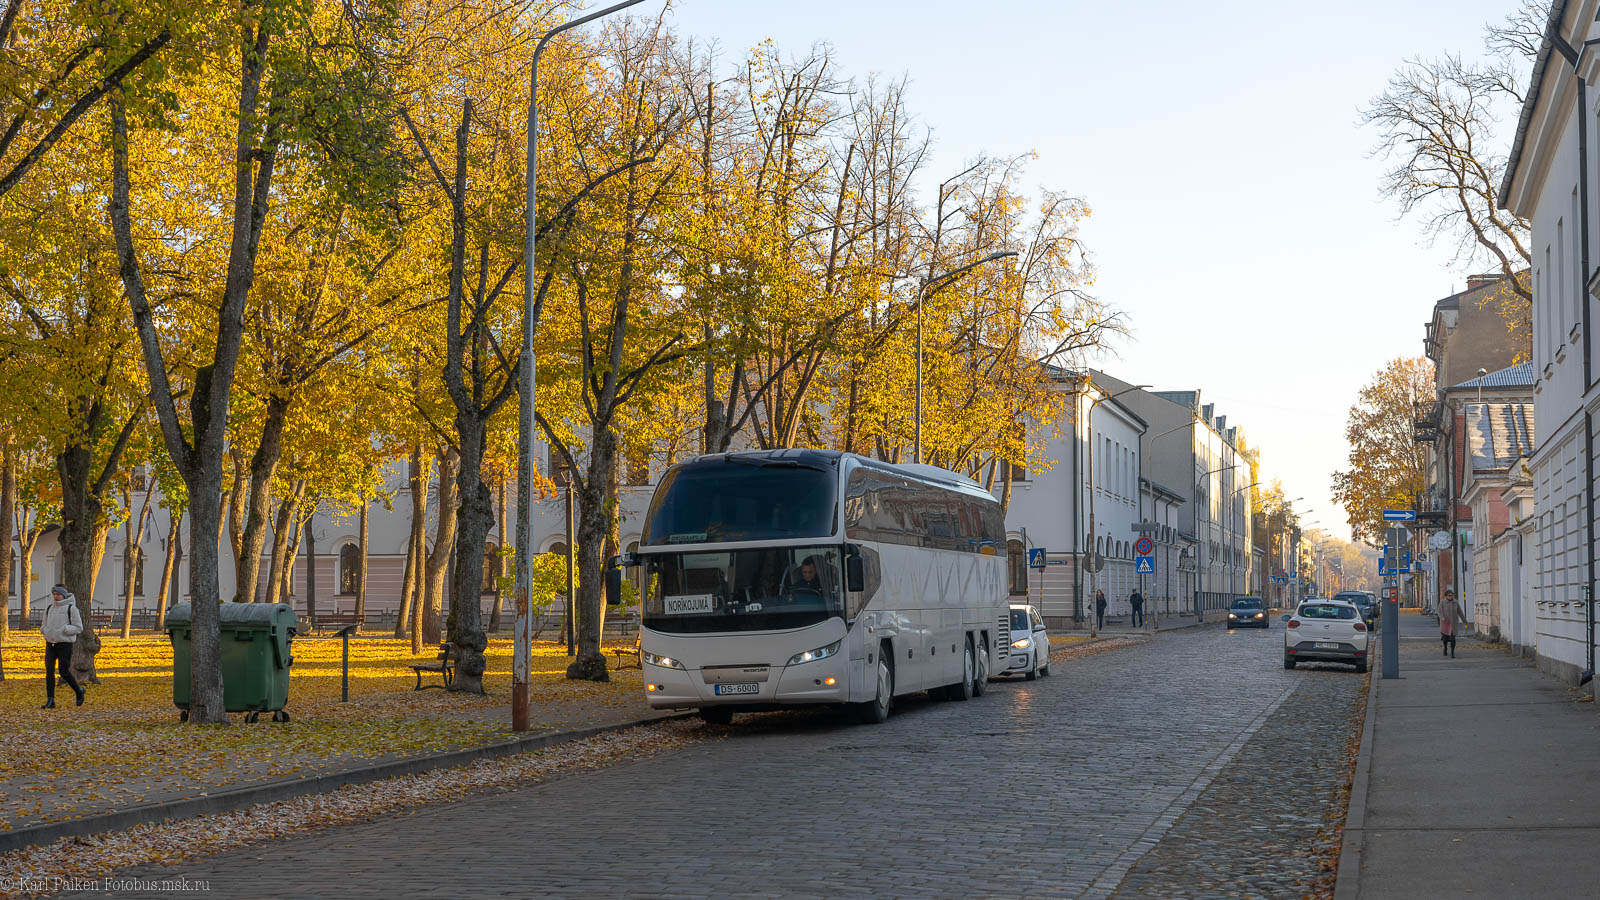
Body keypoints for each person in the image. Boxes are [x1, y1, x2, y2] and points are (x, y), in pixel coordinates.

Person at [40, 584, 85, 709]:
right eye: (54, 594)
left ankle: (79, 691)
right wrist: (45, 630)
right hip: (50, 643)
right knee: (49, 671)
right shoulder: (49, 608)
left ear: (64, 595)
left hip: (65, 644)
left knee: (63, 671)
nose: (56, 596)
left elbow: (79, 627)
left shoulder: (71, 608)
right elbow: (44, 624)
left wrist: (65, 629)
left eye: (58, 594)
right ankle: (50, 700)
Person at [1439, 587, 1468, 658]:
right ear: (1446, 596)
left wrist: (1464, 621)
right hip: (1445, 623)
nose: (1450, 596)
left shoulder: (1455, 602)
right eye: (1449, 595)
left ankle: (1452, 653)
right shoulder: (1442, 602)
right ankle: (1445, 648)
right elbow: (1439, 611)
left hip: (1453, 623)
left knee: (1453, 638)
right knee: (1445, 639)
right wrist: (1442, 617)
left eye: (1451, 595)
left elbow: (1460, 612)